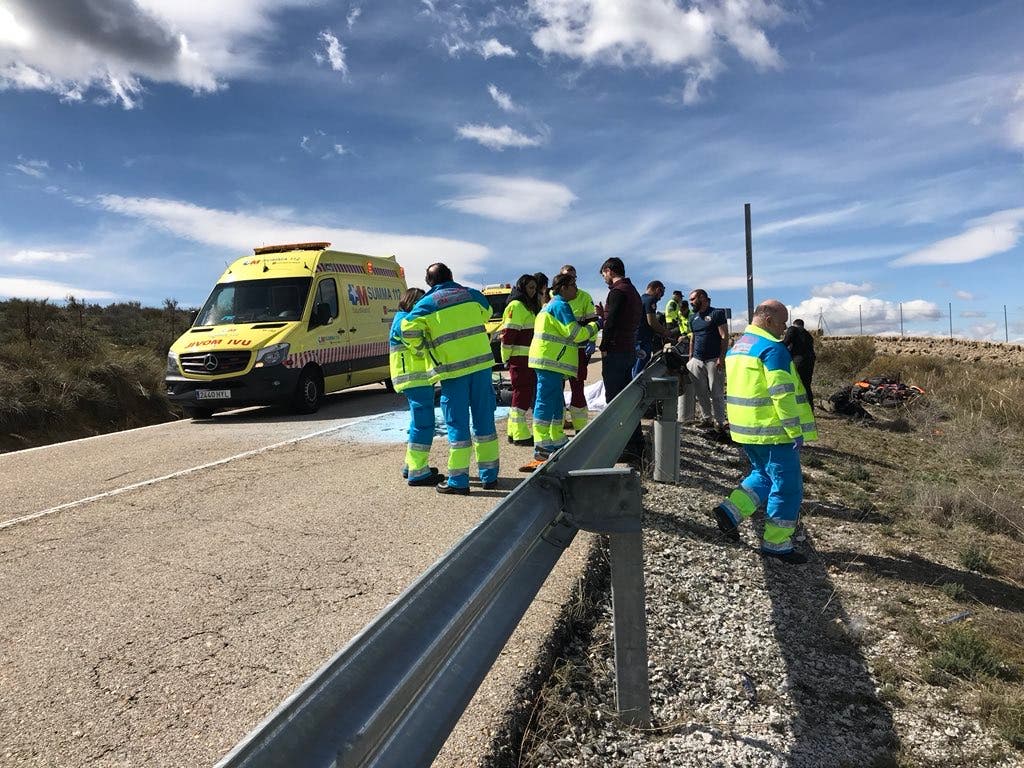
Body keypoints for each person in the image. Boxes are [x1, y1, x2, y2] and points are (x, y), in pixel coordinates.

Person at [711, 299, 818, 564]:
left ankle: (730, 512)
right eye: (782, 323)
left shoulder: (739, 348)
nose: (784, 330)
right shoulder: (773, 349)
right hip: (774, 431)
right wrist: (795, 431)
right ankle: (777, 543)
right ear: (768, 320)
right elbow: (781, 394)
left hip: (746, 429)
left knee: (763, 476)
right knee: (788, 487)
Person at [401, 263, 499, 495]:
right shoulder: (471, 294)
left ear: (429, 282)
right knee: (485, 421)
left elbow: (407, 329)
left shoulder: (426, 303)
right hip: (482, 366)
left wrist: (423, 347)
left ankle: (458, 480)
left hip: (453, 372)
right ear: (451, 276)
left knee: (457, 425)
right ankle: (490, 475)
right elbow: (487, 312)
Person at [520, 272, 599, 472]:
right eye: (573, 285)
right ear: (562, 287)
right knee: (545, 402)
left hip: (552, 361)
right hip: (549, 361)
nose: (576, 289)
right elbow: (576, 334)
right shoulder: (560, 305)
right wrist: (595, 326)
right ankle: (541, 445)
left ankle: (556, 439)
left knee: (555, 402)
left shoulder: (552, 305)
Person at [390, 288, 442, 486]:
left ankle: (411, 465)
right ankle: (418, 471)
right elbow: (418, 347)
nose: (424, 305)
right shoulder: (405, 321)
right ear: (412, 301)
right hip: (416, 378)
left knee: (417, 424)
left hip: (414, 378)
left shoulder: (401, 318)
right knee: (424, 424)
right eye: (421, 301)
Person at [598, 257, 643, 454]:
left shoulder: (617, 292)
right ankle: (635, 442)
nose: (604, 279)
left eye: (604, 275)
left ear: (609, 270)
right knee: (627, 399)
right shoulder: (632, 291)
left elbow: (612, 322)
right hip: (628, 350)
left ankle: (622, 445)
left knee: (614, 400)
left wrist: (604, 345)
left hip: (616, 350)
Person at [500, 274, 541, 446]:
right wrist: (506, 357)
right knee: (522, 395)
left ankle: (513, 431)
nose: (533, 291)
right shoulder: (516, 306)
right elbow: (508, 335)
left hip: (527, 358)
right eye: (530, 287)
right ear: (522, 287)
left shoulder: (527, 306)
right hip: (520, 358)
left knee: (521, 394)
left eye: (534, 288)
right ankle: (520, 435)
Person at [558, 264, 599, 432]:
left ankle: (580, 426)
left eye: (573, 277)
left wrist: (592, 341)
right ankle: (559, 423)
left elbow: (592, 321)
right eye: (567, 277)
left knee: (577, 387)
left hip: (578, 350)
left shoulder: (584, 297)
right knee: (557, 388)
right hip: (559, 351)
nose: (571, 280)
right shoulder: (554, 298)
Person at [687, 288, 729, 436]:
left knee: (716, 392)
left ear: (702, 297)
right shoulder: (692, 318)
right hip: (697, 361)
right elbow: (693, 338)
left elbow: (724, 336)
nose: (691, 302)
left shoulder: (716, 314)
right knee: (701, 392)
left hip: (714, 359)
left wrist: (721, 357)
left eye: (693, 299)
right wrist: (691, 358)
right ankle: (707, 418)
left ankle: (720, 421)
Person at [633, 280, 674, 378]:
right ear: (658, 290)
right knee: (639, 371)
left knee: (634, 368)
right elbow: (652, 322)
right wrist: (665, 331)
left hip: (636, 339)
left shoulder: (639, 299)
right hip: (643, 341)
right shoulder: (650, 300)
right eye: (661, 295)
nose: (660, 299)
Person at [783, 318, 816, 410]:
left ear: (794, 324)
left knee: (795, 383)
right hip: (810, 360)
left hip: (798, 360)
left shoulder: (793, 329)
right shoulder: (808, 335)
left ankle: (796, 407)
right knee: (806, 384)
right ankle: (810, 407)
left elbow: (786, 342)